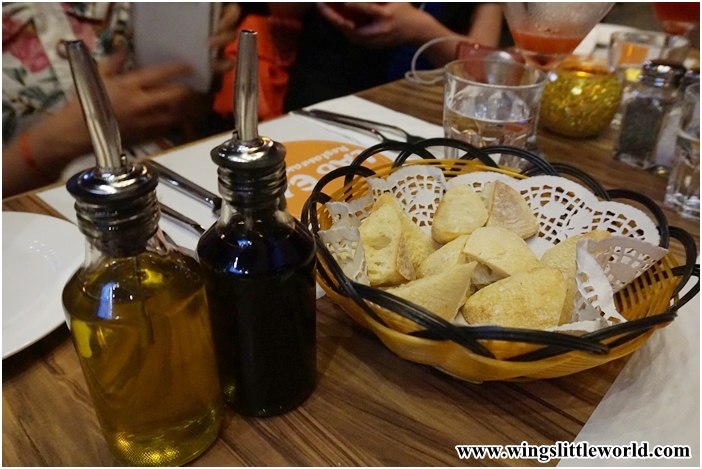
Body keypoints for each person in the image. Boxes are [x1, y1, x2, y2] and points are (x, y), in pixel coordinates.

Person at [2, 2, 240, 198]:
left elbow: (190, 102)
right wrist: (52, 144)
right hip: (29, 220)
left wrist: (198, 68)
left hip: (177, 185)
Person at [284, 2, 507, 111]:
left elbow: (484, 71)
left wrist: (422, 30)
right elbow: (283, 10)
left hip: (422, 112)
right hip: (325, 101)